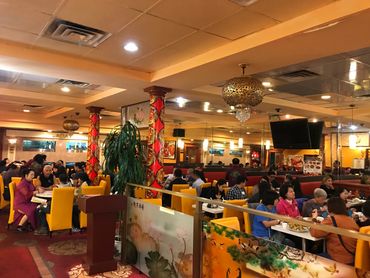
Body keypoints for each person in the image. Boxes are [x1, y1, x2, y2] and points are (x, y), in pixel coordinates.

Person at [310, 197, 359, 265]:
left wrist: (314, 218)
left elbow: (314, 232)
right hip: (351, 259)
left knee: (310, 257)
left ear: (330, 208)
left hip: (337, 259)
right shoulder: (351, 220)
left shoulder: (332, 220)